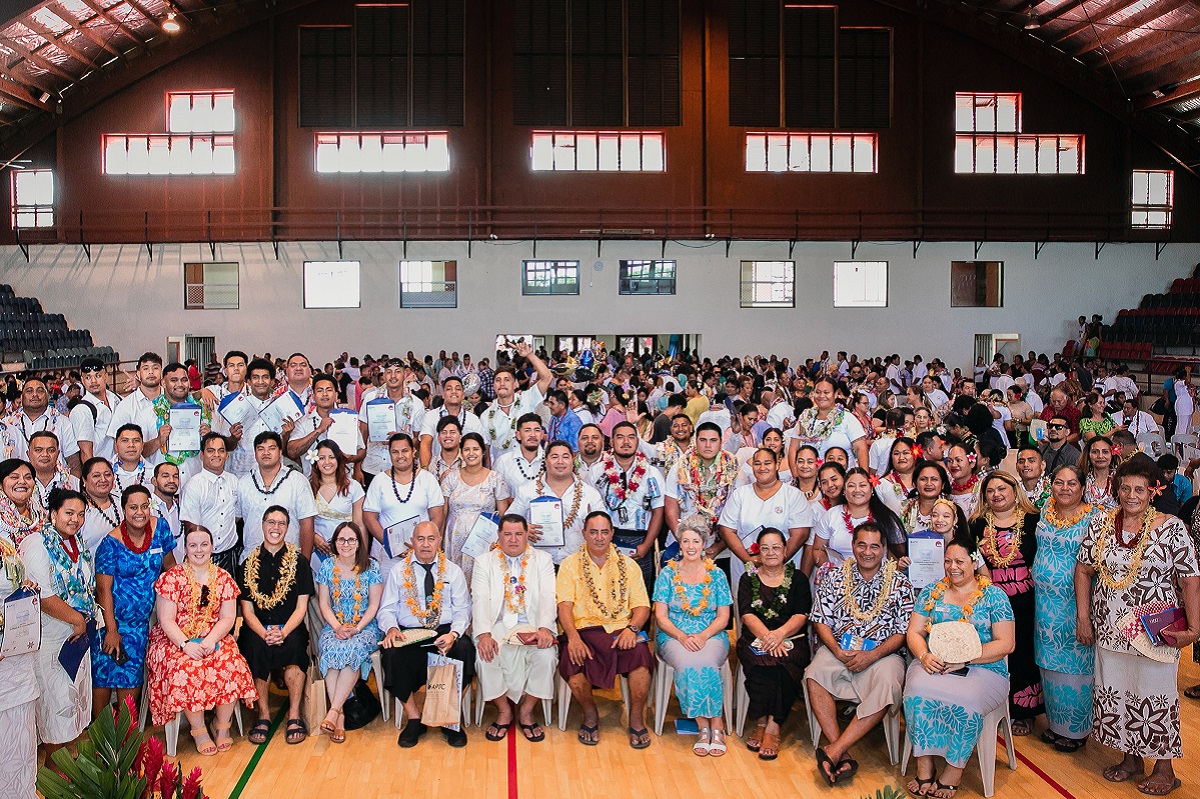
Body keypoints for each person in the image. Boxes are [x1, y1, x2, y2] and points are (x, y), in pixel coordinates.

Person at [1075, 457, 1200, 796]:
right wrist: (1083, 617)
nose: (1131, 495)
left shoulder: (1171, 527)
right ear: (1117, 490)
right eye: (1125, 488)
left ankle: (1165, 768)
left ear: (1153, 492)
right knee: (1118, 690)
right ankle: (1131, 758)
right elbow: (1084, 570)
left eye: (1139, 489)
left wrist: (1195, 627)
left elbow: (1189, 577)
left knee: (1155, 695)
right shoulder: (1101, 524)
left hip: (1154, 630)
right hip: (1109, 628)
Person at [904, 537, 1016, 798]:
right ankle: (924, 766)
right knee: (916, 689)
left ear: (974, 562)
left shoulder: (994, 596)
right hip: (935, 663)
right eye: (947, 561)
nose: (952, 567)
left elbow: (1006, 643)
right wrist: (923, 655)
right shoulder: (932, 591)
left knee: (965, 698)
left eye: (959, 561)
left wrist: (965, 660)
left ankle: (953, 771)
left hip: (984, 668)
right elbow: (914, 632)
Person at [806, 522, 914, 784]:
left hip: (883, 654)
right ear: (853, 546)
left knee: (889, 681)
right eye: (862, 545)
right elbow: (821, 619)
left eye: (874, 546)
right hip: (840, 649)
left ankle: (834, 751)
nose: (867, 552)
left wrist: (873, 655)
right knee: (814, 673)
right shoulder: (834, 576)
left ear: (885, 549)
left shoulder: (900, 583)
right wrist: (835, 649)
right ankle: (840, 750)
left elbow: (902, 633)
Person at [146, 525, 257, 753]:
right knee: (186, 668)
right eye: (193, 545)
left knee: (231, 663)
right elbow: (166, 620)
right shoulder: (172, 578)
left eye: (204, 544)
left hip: (214, 636)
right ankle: (198, 730)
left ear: (212, 547)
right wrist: (186, 645)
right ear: (185, 548)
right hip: (175, 640)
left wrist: (209, 640)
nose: (199, 550)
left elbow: (227, 618)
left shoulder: (223, 578)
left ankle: (222, 726)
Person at [556, 510, 654, 748]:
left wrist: (632, 629)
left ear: (612, 533)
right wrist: (573, 638)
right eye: (593, 532)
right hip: (584, 632)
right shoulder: (569, 565)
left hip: (621, 631)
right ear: (584, 534)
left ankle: (636, 719)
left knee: (641, 658)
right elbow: (564, 607)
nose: (599, 537)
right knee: (573, 662)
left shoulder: (629, 565)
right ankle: (589, 713)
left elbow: (642, 606)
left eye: (604, 532)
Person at [379, 521, 474, 749]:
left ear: (439, 541)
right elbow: (387, 609)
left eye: (431, 539)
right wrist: (391, 628)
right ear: (412, 542)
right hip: (409, 632)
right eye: (420, 539)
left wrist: (454, 633)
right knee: (391, 653)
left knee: (466, 650)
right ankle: (414, 718)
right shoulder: (398, 571)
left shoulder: (452, 571)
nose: (425, 544)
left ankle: (448, 716)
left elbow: (463, 610)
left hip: (444, 631)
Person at [20, 488, 95, 759]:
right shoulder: (37, 543)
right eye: (69, 513)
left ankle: (71, 772)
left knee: (73, 707)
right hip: (51, 638)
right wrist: (77, 619)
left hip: (76, 637)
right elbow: (42, 595)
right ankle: (55, 780)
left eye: (81, 514)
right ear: (53, 514)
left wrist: (82, 621)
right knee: (55, 708)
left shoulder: (78, 544)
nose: (75, 519)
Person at [969, 469, 1044, 735]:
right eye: (990, 491)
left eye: (1002, 489)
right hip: (991, 600)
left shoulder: (1034, 520)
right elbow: (971, 560)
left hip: (1027, 598)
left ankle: (1024, 712)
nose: (996, 494)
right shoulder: (977, 524)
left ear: (1015, 491)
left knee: (1024, 650)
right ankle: (995, 706)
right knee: (996, 652)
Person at [92, 485, 177, 717]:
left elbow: (170, 568)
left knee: (130, 678)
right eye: (133, 507)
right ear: (123, 510)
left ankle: (126, 741)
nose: (139, 512)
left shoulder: (160, 529)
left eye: (144, 506)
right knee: (104, 677)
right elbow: (103, 590)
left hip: (139, 624)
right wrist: (111, 629)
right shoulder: (110, 544)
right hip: (110, 621)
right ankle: (99, 739)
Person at [651, 515, 733, 756]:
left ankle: (716, 723)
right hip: (674, 635)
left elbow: (723, 618)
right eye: (685, 541)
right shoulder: (667, 574)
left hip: (711, 634)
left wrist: (703, 636)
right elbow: (661, 617)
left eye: (695, 541)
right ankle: (703, 726)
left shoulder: (716, 575)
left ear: (703, 543)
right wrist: (683, 637)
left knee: (706, 661)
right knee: (688, 663)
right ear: (679, 542)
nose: (690, 546)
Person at [471, 515, 558, 743]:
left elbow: (548, 596)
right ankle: (504, 710)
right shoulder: (483, 561)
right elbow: (479, 599)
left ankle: (527, 710)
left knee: (546, 656)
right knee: (485, 656)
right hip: (496, 625)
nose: (513, 539)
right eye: (507, 534)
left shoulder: (543, 559)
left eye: (518, 534)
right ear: (498, 535)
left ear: (527, 534)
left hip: (531, 625)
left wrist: (545, 629)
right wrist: (483, 635)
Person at [1032, 465, 1098, 752]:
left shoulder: (1095, 518)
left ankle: (1078, 730)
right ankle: (1057, 725)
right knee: (1049, 667)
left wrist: (1085, 616)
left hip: (1076, 604)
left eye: (1072, 483)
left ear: (1082, 487)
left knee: (1075, 669)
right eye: (1059, 482)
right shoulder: (1044, 510)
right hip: (1044, 605)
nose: (1065, 488)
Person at [238, 506, 315, 746]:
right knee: (255, 647)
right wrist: (264, 633)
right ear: (262, 525)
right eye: (271, 522)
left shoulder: (299, 562)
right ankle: (263, 714)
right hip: (258, 627)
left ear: (288, 528)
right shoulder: (247, 564)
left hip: (290, 627)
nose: (276, 528)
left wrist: (282, 632)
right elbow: (247, 610)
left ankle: (294, 714)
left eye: (281, 523)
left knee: (294, 647)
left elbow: (301, 607)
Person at [737, 527, 812, 761]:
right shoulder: (748, 577)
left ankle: (772, 725)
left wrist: (779, 634)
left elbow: (802, 614)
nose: (771, 553)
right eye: (765, 548)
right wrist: (768, 639)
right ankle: (761, 720)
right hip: (755, 638)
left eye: (776, 547)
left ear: (785, 550)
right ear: (758, 553)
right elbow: (747, 614)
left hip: (791, 638)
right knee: (761, 661)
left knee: (783, 663)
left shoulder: (798, 578)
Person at [314, 521, 384, 744]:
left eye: (351, 539)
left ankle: (334, 711)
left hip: (365, 627)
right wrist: (336, 627)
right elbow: (324, 604)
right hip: (335, 625)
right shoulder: (327, 567)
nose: (346, 544)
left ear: (358, 543)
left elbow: (373, 606)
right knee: (331, 649)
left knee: (352, 650)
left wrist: (357, 628)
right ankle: (340, 715)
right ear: (335, 543)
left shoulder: (370, 567)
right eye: (341, 540)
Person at [718, 446, 813, 586]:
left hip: (783, 569)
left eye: (767, 463)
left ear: (777, 465)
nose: (762, 467)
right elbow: (727, 530)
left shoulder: (793, 495)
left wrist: (775, 560)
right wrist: (748, 560)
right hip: (745, 568)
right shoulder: (741, 494)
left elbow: (801, 534)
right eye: (757, 463)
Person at [590, 421, 664, 591]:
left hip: (641, 540)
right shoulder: (597, 471)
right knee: (606, 590)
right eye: (620, 437)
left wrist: (647, 545)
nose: (626, 442)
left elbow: (658, 511)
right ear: (611, 442)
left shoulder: (651, 472)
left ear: (637, 442)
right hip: (606, 539)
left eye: (631, 437)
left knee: (639, 592)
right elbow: (590, 511)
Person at [510, 440, 604, 565]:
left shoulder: (590, 494)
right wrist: (522, 528)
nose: (560, 462)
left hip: (578, 564)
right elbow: (508, 520)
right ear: (545, 460)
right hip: (537, 564)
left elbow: (604, 526)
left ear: (572, 460)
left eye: (565, 457)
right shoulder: (528, 491)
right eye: (554, 457)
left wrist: (593, 526)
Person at [363, 433, 446, 573]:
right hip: (386, 553)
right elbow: (369, 517)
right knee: (385, 593)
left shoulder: (427, 479)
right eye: (395, 452)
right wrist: (389, 544)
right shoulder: (379, 480)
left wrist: (420, 544)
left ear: (413, 452)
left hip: (421, 551)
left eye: (404, 451)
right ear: (389, 454)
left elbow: (437, 516)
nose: (400, 456)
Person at [0, 505, 39, 797]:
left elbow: (13, 585)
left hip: (16, 654)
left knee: (20, 731)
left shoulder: (6, 546)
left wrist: (26, 589)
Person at [237, 431, 317, 563]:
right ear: (255, 454)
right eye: (261, 449)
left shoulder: (297, 481)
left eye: (271, 448)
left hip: (289, 563)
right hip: (250, 562)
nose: (266, 453)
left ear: (280, 453)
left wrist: (304, 564)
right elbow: (235, 519)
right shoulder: (243, 483)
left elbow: (307, 524)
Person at [664, 422, 739, 563]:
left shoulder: (733, 469)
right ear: (695, 441)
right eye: (703, 440)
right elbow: (670, 511)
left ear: (721, 442)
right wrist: (686, 542)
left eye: (713, 440)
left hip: (720, 548)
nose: (708, 445)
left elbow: (738, 514)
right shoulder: (680, 468)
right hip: (683, 544)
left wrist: (718, 547)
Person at [442, 431, 512, 581]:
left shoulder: (495, 478)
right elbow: (442, 513)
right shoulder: (451, 478)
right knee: (454, 582)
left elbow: (503, 515)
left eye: (476, 449)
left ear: (482, 452)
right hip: (453, 540)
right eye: (467, 449)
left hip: (483, 542)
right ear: (461, 453)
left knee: (480, 583)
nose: (471, 453)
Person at [812, 467, 906, 571]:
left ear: (871, 489)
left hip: (878, 581)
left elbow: (897, 557)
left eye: (862, 485)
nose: (857, 490)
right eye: (851, 486)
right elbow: (818, 549)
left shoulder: (886, 518)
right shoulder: (831, 515)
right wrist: (831, 570)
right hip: (840, 581)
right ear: (844, 491)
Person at [179, 432, 242, 573]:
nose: (216, 455)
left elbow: (237, 515)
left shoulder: (234, 481)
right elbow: (191, 528)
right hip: (202, 557)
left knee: (229, 595)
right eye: (210, 451)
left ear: (227, 455)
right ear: (202, 455)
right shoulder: (193, 485)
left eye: (221, 451)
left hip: (229, 554)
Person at [482, 343, 552, 461]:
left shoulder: (527, 399)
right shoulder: (486, 416)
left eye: (507, 380)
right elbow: (487, 450)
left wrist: (529, 355)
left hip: (532, 466)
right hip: (501, 470)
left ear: (515, 384)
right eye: (498, 380)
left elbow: (547, 377)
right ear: (494, 386)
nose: (502, 383)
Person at [287, 373, 365, 478]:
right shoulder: (303, 422)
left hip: (344, 481)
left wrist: (349, 459)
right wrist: (318, 430)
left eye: (329, 390)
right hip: (312, 483)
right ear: (313, 396)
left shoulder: (347, 419)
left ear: (336, 395)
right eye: (320, 390)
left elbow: (361, 450)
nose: (324, 394)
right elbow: (292, 452)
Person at [3, 376, 81, 476]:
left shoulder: (62, 422)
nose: (35, 394)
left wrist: (74, 489)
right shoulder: (7, 425)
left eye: (40, 391)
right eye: (29, 391)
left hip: (57, 487)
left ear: (48, 396)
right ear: (22, 397)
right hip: (16, 488)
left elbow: (74, 462)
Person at [788, 377, 869, 472]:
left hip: (842, 479)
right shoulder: (805, 418)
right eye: (818, 392)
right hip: (809, 478)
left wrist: (863, 478)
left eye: (826, 393)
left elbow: (861, 449)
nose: (821, 396)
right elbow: (793, 449)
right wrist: (796, 475)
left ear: (835, 394)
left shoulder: (847, 418)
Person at [107, 353, 166, 468]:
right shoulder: (126, 405)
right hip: (141, 473)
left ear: (161, 372)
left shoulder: (172, 401)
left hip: (173, 472)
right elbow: (118, 445)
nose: (151, 372)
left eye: (155, 368)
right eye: (145, 368)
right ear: (138, 373)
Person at [418, 376, 484, 468]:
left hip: (466, 471)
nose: (454, 391)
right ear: (443, 394)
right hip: (436, 470)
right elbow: (425, 443)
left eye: (458, 389)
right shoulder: (431, 416)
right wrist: (426, 471)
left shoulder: (473, 420)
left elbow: (479, 448)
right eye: (449, 389)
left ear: (463, 395)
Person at [70, 356, 121, 463]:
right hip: (100, 468)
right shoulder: (82, 410)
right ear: (82, 380)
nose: (93, 381)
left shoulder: (117, 399)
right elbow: (86, 452)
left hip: (120, 468)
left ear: (106, 376)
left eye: (97, 376)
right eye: (88, 377)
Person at [493, 414, 545, 497]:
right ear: (518, 435)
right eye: (527, 430)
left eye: (537, 430)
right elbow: (498, 497)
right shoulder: (503, 462)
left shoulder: (551, 460)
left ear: (542, 434)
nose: (533, 434)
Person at [875, 437, 916, 515]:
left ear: (916, 454)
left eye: (906, 453)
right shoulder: (881, 485)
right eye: (896, 454)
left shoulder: (925, 481)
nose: (901, 457)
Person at [1081, 436, 1117, 510]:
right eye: (1095, 452)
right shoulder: (1081, 479)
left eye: (1105, 452)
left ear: (1112, 455)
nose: (1100, 456)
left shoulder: (1120, 479)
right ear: (1088, 455)